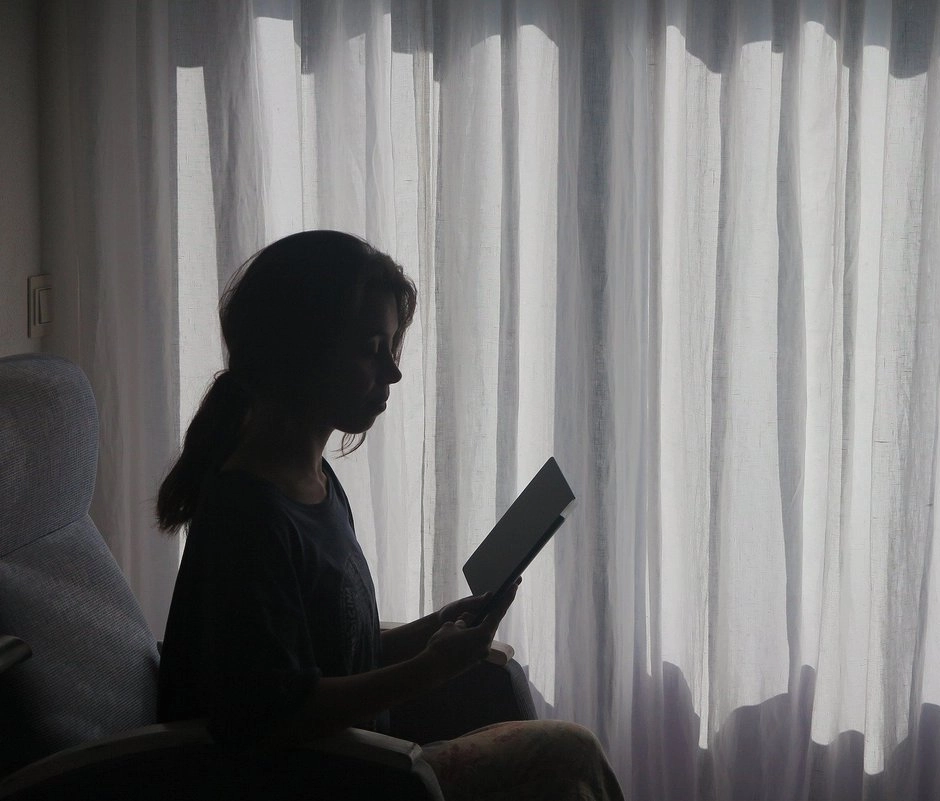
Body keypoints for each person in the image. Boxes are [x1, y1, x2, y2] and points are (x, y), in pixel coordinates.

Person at [156, 230, 623, 800]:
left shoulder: (317, 482)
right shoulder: (247, 517)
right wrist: (433, 668)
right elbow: (275, 714)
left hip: (361, 760)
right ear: (299, 352)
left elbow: (335, 654)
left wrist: (437, 628)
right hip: (321, 778)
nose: (393, 372)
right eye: (370, 349)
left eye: (391, 346)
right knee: (568, 753)